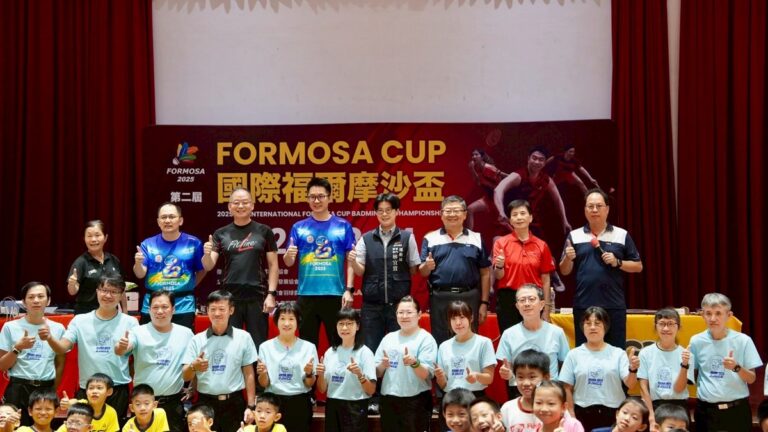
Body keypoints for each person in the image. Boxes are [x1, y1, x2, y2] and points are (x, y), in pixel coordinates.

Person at [348, 192, 420, 414]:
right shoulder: (366, 238)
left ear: (396, 212)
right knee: (372, 350)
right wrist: (353, 262)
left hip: (399, 307)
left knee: (399, 350)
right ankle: (374, 397)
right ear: (376, 213)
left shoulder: (407, 237)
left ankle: (399, 393)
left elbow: (414, 268)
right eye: (380, 211)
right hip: (372, 305)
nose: (384, 214)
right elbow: (360, 270)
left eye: (389, 210)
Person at [560, 188, 643, 348]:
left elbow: (638, 266)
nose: (594, 210)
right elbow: (564, 270)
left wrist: (618, 262)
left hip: (613, 304)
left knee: (616, 350)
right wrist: (568, 258)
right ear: (585, 210)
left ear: (607, 209)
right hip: (584, 304)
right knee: (585, 351)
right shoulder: (574, 236)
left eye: (599, 206)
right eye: (590, 206)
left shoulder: (621, 234)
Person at [45, 276, 138, 419]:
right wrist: (50, 338)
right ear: (97, 291)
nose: (108, 295)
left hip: (117, 388)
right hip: (87, 389)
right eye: (104, 290)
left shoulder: (130, 322)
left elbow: (128, 349)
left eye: (114, 292)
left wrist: (122, 348)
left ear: (121, 295)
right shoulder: (79, 320)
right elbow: (62, 347)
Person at [202, 188, 279, 351]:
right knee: (230, 346)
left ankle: (256, 370)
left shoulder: (264, 231)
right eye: (236, 203)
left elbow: (273, 265)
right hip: (230, 297)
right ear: (229, 207)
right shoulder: (220, 233)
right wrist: (207, 254)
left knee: (258, 345)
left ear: (252, 205)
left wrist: (271, 294)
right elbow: (209, 265)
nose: (241, 206)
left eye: (245, 202)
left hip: (257, 295)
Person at [283, 177, 356, 347]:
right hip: (306, 294)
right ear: (307, 199)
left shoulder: (343, 226)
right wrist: (289, 254)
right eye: (312, 197)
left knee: (337, 344)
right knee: (307, 345)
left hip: (335, 294)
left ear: (330, 198)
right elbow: (288, 262)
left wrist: (349, 290)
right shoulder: (299, 227)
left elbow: (351, 261)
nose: (316, 201)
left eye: (321, 196)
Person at [114, 290, 193, 431]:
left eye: (164, 307)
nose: (160, 311)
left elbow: (194, 363)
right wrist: (122, 346)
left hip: (172, 403)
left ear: (173, 309)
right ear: (149, 309)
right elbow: (120, 350)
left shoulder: (186, 334)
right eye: (155, 307)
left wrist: (193, 387)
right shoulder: (137, 332)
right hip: (144, 404)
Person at [419, 195, 491, 345]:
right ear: (441, 214)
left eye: (456, 211)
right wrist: (427, 266)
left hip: (469, 296)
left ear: (465, 214)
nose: (452, 214)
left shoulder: (476, 238)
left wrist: (484, 303)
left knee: (468, 339)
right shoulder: (430, 238)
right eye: (448, 211)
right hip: (440, 297)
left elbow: (485, 273)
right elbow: (422, 272)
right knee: (440, 339)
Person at [182, 290, 257, 432]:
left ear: (231, 310)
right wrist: (193, 366)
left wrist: (251, 406)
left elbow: (249, 373)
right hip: (205, 403)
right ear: (207, 311)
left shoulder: (244, 337)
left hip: (234, 402)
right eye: (213, 309)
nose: (217, 313)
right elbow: (185, 376)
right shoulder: (197, 340)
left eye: (222, 309)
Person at [688, 293, 762, 432]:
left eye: (718, 313)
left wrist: (736, 367)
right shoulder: (696, 341)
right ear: (702, 315)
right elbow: (692, 375)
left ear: (729, 315)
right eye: (708, 313)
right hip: (706, 411)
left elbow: (751, 379)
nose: (713, 318)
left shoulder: (743, 340)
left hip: (736, 411)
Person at [558, 306, 639, 431]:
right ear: (582, 327)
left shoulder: (618, 353)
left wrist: (632, 369)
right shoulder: (573, 354)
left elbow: (630, 384)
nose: (592, 327)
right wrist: (571, 415)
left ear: (605, 327)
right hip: (582, 413)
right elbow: (567, 388)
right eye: (588, 323)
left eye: (597, 323)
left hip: (613, 412)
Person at [0, 282, 65, 425]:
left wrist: (52, 390)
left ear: (48, 300)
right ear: (23, 302)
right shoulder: (10, 327)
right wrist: (17, 348)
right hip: (18, 387)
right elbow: (2, 366)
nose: (36, 300)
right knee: (15, 428)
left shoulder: (58, 328)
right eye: (31, 297)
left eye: (41, 296)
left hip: (46, 388)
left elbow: (60, 363)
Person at [133, 202, 205, 329]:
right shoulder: (147, 244)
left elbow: (202, 269)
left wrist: (188, 284)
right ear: (158, 221)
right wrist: (138, 263)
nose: (167, 220)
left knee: (183, 340)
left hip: (183, 305)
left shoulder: (194, 243)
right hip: (154, 304)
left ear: (180, 220)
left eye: (172, 217)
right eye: (163, 217)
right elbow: (140, 274)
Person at [496, 284, 569, 400]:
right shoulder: (508, 334)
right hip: (520, 391)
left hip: (550, 391)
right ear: (517, 306)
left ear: (542, 304)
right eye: (522, 300)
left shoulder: (557, 332)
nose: (527, 303)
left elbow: (565, 366)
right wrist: (507, 373)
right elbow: (507, 368)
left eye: (531, 299)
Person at [375, 296, 437, 432]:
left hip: (416, 401)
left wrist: (414, 363)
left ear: (419, 314)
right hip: (389, 399)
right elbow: (377, 373)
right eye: (400, 312)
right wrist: (382, 365)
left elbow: (426, 374)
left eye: (409, 312)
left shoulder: (426, 339)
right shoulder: (388, 338)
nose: (404, 316)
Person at [492, 199, 555, 330]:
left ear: (530, 218)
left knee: (534, 336)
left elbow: (546, 279)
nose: (519, 217)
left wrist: (547, 307)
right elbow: (498, 276)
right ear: (510, 220)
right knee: (510, 337)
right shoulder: (501, 243)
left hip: (533, 297)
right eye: (514, 215)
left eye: (522, 213)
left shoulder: (541, 245)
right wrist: (499, 266)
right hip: (508, 299)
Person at [257, 301, 318, 432]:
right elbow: (264, 383)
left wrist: (309, 373)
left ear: (298, 321)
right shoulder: (265, 347)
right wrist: (263, 373)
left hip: (299, 402)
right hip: (273, 402)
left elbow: (309, 383)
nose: (286, 323)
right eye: (282, 318)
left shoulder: (309, 347)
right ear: (276, 321)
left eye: (291, 319)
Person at [316, 308, 376, 432]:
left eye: (349, 324)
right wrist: (320, 374)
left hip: (355, 405)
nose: (344, 328)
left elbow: (371, 390)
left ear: (357, 326)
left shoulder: (365, 353)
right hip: (333, 405)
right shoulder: (330, 352)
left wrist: (360, 375)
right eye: (341, 324)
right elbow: (322, 389)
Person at [493, 146, 571, 237]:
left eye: (541, 160)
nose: (537, 162)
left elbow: (558, 199)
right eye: (534, 158)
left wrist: (565, 221)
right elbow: (498, 190)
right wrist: (501, 211)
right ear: (528, 159)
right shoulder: (518, 176)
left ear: (544, 163)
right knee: (498, 241)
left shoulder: (546, 180)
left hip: (531, 223)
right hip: (510, 219)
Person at [637, 308, 693, 428]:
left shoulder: (686, 354)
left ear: (678, 327)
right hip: (655, 407)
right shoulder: (645, 353)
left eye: (671, 324)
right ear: (655, 326)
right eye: (662, 324)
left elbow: (679, 389)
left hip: (679, 407)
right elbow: (643, 387)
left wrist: (684, 365)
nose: (666, 328)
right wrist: (651, 415)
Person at [434, 301, 496, 395]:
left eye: (462, 317)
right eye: (453, 319)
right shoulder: (444, 346)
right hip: (450, 397)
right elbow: (443, 385)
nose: (458, 323)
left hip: (474, 396)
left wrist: (476, 376)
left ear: (471, 318)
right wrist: (440, 377)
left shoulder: (484, 342)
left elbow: (489, 378)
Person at [67, 220, 126, 314]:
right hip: (86, 314)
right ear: (84, 239)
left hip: (111, 314)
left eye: (97, 235)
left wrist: (125, 311)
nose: (93, 239)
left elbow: (121, 288)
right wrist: (72, 284)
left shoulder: (114, 260)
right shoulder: (80, 262)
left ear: (105, 238)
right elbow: (72, 291)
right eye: (89, 236)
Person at [499, 349, 550, 431]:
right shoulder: (507, 409)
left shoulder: (554, 407)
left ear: (546, 378)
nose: (526, 383)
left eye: (532, 377)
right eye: (520, 377)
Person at [466, 149, 508, 231]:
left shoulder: (489, 168)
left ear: (482, 157)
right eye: (473, 155)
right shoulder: (476, 168)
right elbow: (478, 182)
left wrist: (516, 177)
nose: (473, 157)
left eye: (476, 154)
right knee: (470, 209)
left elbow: (503, 175)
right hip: (487, 199)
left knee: (505, 223)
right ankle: (469, 235)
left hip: (498, 200)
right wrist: (472, 170)